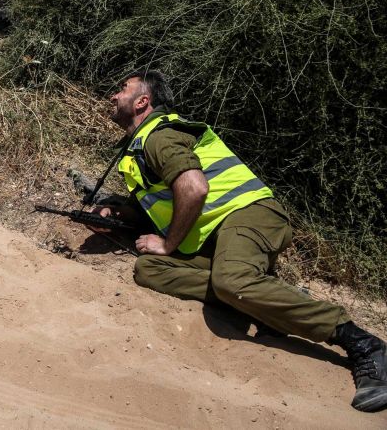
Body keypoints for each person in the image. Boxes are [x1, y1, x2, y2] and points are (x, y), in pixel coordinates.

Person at [90, 69, 386, 413]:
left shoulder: (159, 136)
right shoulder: (140, 145)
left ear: (143, 101)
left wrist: (169, 244)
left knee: (229, 280)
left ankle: (362, 344)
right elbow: (164, 201)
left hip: (249, 214)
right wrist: (121, 214)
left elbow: (194, 188)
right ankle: (263, 298)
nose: (113, 96)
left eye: (121, 89)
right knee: (149, 268)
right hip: (218, 233)